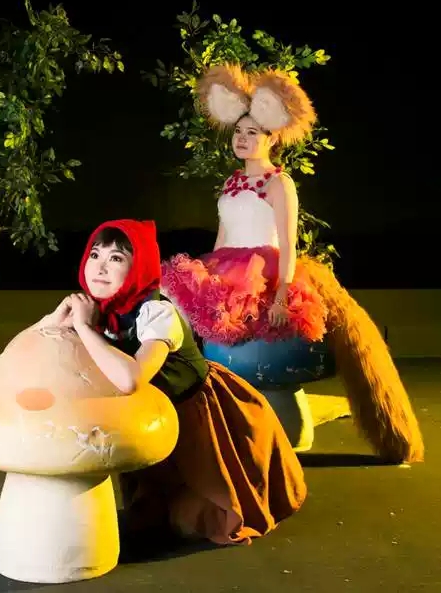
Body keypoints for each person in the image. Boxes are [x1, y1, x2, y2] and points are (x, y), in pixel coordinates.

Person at [160, 63, 424, 464]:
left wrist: (282, 294)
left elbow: (287, 243)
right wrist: (203, 280)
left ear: (272, 138)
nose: (242, 138)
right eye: (239, 131)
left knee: (259, 353)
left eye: (253, 132)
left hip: (262, 270)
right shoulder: (232, 183)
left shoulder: (279, 182)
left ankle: (284, 431)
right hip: (227, 266)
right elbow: (222, 239)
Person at [36, 218, 307, 548]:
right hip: (155, 414)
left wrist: (82, 327)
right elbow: (31, 343)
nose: (100, 267)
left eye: (116, 258)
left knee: (200, 517)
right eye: (95, 255)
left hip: (196, 416)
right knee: (151, 511)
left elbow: (131, 379)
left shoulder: (157, 313)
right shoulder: (99, 310)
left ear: (139, 267)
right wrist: (59, 316)